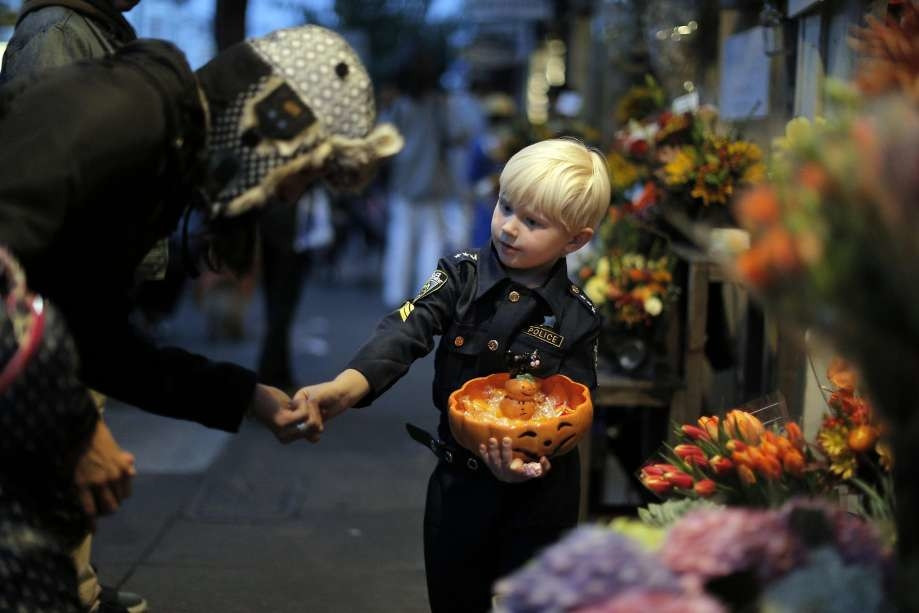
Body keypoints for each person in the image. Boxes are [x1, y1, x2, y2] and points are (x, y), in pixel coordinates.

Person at [0, 24, 401, 612]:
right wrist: (75, 427)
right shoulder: (132, 115)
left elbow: (100, 342)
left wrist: (245, 396)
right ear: (272, 122)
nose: (290, 198)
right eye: (305, 174)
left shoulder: (165, 152)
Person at [294, 138, 611, 612]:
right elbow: (406, 329)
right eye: (506, 206)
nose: (508, 227)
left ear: (575, 240)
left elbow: (576, 406)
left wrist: (529, 461)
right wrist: (348, 385)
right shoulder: (458, 276)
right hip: (459, 485)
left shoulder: (578, 317)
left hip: (541, 498)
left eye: (532, 222)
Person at [2, 2, 149, 610]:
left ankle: (74, 585)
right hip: (47, 310)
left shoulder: (90, 30)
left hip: (71, 303)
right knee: (56, 461)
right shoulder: (57, 35)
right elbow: (38, 194)